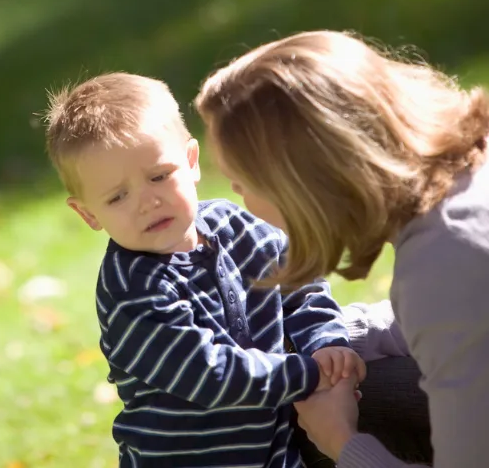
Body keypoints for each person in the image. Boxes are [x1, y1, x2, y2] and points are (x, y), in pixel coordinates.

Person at [194, 29, 489, 467]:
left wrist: (341, 442)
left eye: (242, 184)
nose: (240, 202)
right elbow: (456, 330)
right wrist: (323, 338)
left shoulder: (444, 260)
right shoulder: (464, 191)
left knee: (307, 414)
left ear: (305, 185)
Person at [44, 72, 366, 467]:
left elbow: (300, 284)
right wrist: (311, 372)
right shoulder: (132, 290)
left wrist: (326, 343)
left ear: (191, 161)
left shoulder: (237, 228)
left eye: (159, 176)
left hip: (275, 451)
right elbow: (213, 375)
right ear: (88, 213)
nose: (148, 202)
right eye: (118, 197)